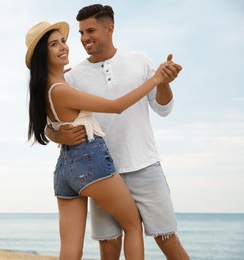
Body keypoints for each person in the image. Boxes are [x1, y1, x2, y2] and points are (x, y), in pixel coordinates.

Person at [25, 20, 181, 260]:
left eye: (63, 41)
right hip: (91, 163)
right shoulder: (63, 86)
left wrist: (56, 133)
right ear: (41, 56)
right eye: (54, 44)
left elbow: (49, 124)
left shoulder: (48, 86)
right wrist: (155, 79)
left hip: (65, 169)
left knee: (70, 249)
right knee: (132, 226)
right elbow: (116, 106)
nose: (64, 47)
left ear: (109, 29)